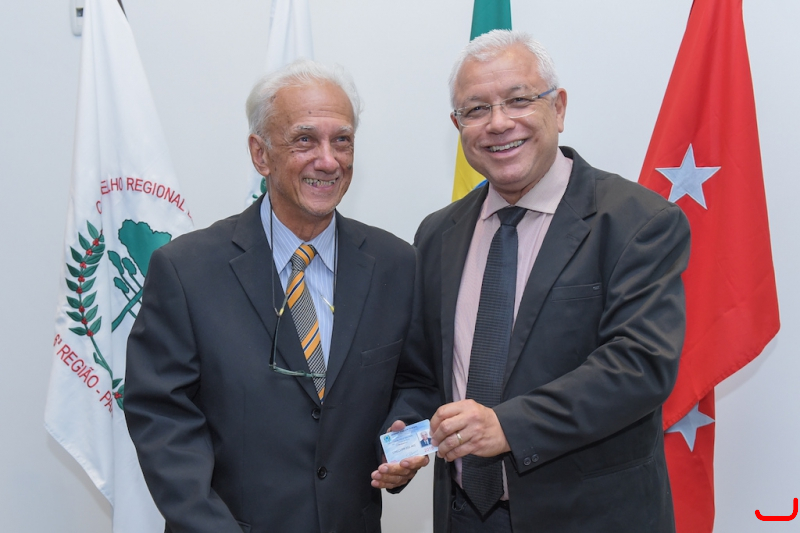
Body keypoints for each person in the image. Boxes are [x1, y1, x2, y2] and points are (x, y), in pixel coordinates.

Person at [124, 59, 436, 533]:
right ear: (260, 154)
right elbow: (161, 418)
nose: (328, 161)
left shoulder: (398, 264)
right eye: (304, 140)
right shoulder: (185, 270)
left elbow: (416, 384)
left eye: (342, 140)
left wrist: (401, 445)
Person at [414, 30, 691, 532]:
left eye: (519, 100)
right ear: (458, 125)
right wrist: (400, 430)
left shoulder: (638, 221)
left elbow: (640, 365)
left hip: (591, 518)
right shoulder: (437, 234)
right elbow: (426, 372)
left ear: (558, 108)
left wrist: (509, 425)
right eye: (476, 110)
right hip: (464, 515)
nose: (499, 123)